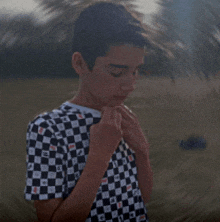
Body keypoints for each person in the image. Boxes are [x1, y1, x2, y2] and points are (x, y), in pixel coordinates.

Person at [24, 2, 153, 221]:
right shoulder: (47, 128)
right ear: (80, 63)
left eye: (135, 71)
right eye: (116, 72)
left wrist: (141, 151)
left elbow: (142, 198)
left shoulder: (123, 117)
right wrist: (99, 156)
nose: (130, 85)